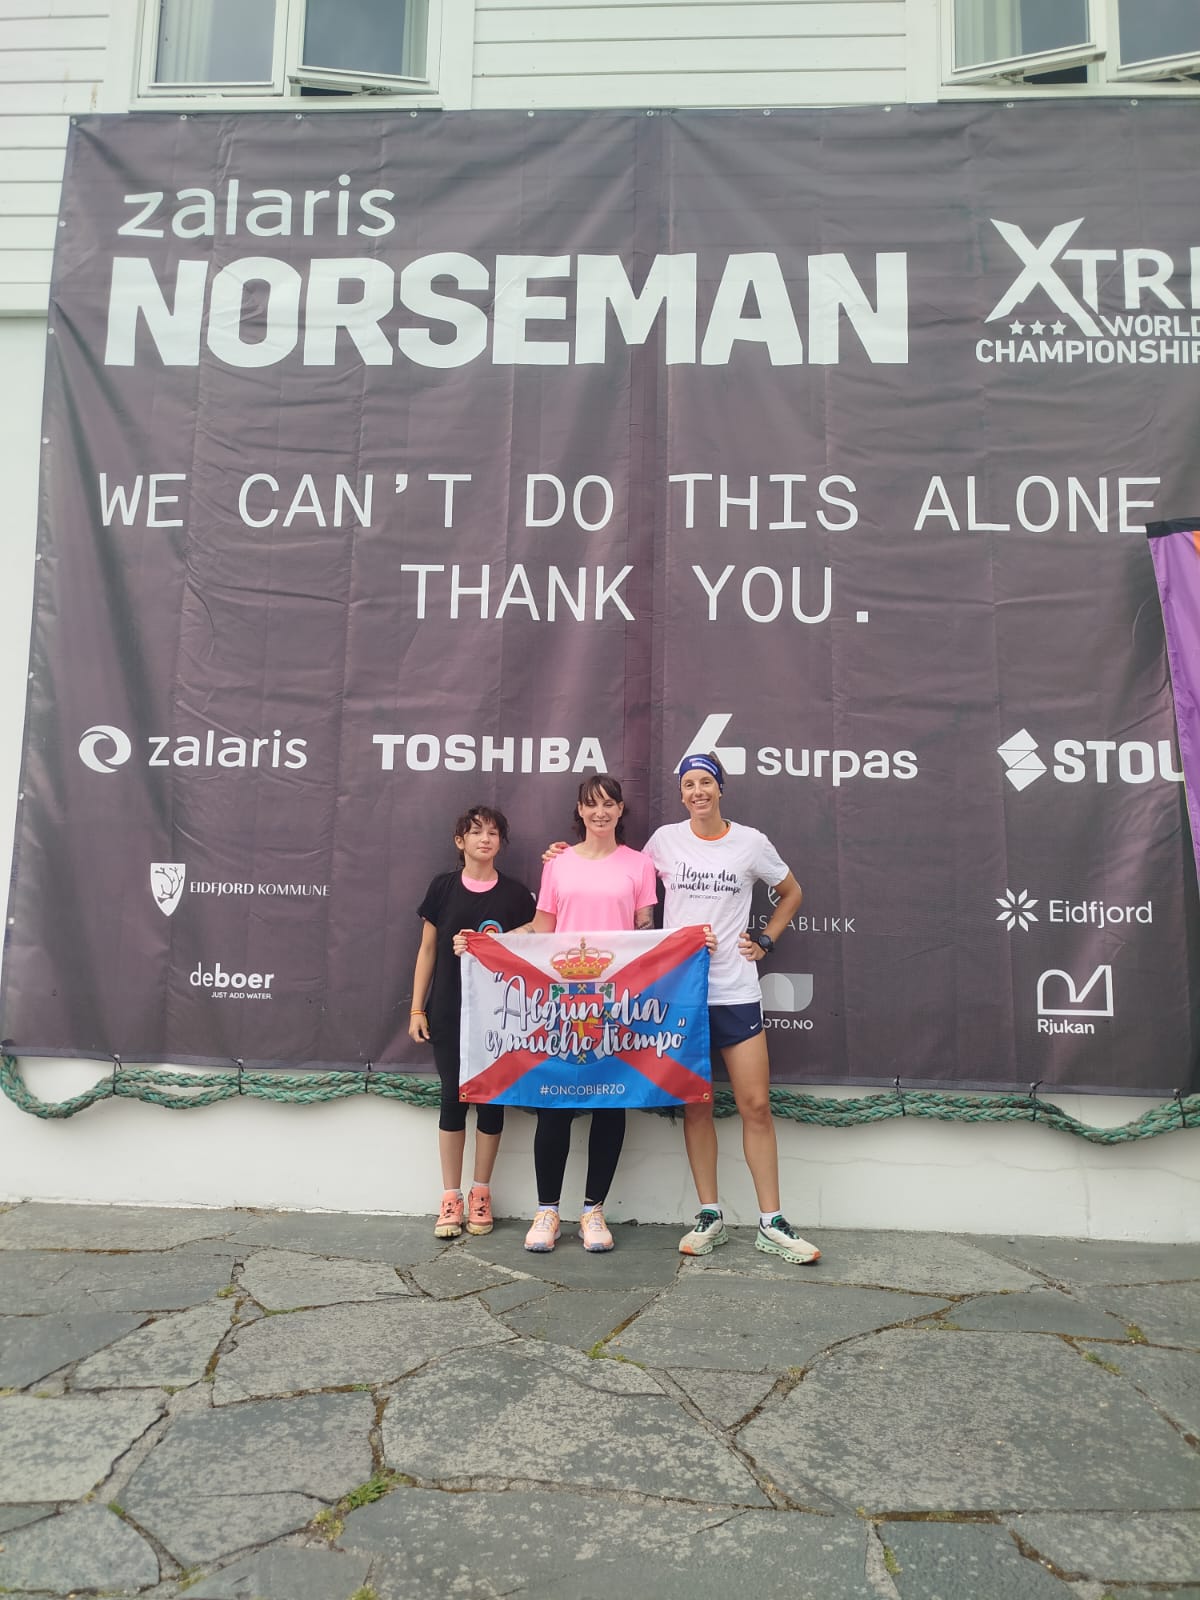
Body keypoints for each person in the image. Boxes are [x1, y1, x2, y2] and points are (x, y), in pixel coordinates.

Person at [643, 754, 820, 1264]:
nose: (698, 791)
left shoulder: (751, 842)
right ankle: (709, 1214)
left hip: (737, 990)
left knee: (755, 1107)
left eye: (706, 783)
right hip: (683, 993)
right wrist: (565, 856)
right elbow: (618, 873)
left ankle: (772, 1222)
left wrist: (764, 940)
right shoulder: (664, 841)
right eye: (689, 784)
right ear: (682, 795)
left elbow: (791, 892)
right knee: (696, 1107)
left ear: (720, 790)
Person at [522, 774, 658, 1254]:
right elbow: (541, 929)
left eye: (609, 804)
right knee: (553, 1105)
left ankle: (593, 1210)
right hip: (562, 1003)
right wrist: (482, 943)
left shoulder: (640, 866)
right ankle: (547, 1211)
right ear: (578, 811)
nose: (600, 812)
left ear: (622, 810)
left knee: (609, 1104)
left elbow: (648, 935)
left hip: (617, 1006)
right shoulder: (557, 865)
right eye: (590, 804)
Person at [410, 805, 534, 1240]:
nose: (485, 838)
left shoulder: (517, 896)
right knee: (452, 1099)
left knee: (491, 1102)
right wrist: (416, 1008)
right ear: (459, 841)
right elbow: (427, 951)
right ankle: (450, 1196)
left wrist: (497, 945)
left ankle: (481, 1192)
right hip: (447, 1009)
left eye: (493, 832)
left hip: (499, 1017)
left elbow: (531, 951)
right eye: (475, 832)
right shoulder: (442, 889)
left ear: (501, 842)